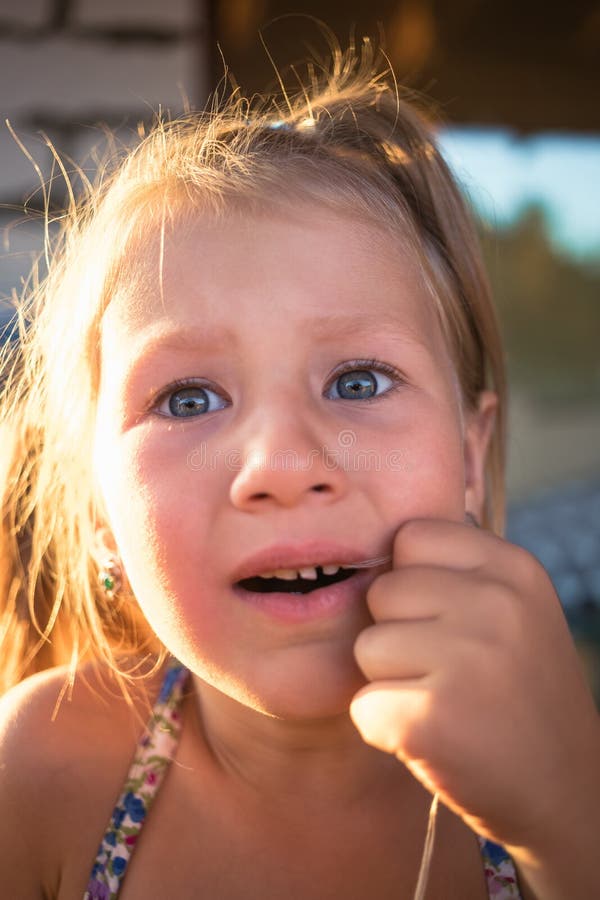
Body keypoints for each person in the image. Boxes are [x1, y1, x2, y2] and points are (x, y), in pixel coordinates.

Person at [0, 42, 598, 900]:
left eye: (358, 382)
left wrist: (571, 832)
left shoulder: (572, 783)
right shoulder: (43, 773)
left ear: (471, 456)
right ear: (99, 509)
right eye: (187, 399)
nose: (282, 467)